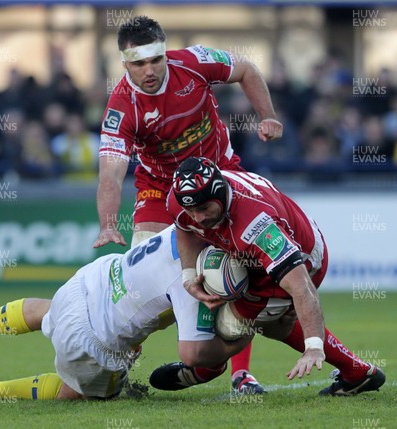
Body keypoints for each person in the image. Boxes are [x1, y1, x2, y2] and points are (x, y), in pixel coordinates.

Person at [94, 15, 283, 393]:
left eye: (155, 60)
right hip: (160, 190)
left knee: (234, 273)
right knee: (137, 286)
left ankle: (240, 374)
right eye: (138, 63)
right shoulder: (121, 107)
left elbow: (246, 69)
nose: (149, 71)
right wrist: (108, 222)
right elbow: (111, 174)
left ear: (165, 52)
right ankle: (121, 367)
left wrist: (268, 116)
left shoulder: (194, 62)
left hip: (218, 179)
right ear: (125, 63)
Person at [149, 157, 385, 396]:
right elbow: (186, 229)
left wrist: (313, 347)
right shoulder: (181, 199)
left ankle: (207, 369)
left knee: (246, 326)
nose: (198, 217)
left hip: (304, 256)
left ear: (220, 194)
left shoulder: (259, 227)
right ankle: (358, 372)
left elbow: (301, 287)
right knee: (238, 302)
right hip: (254, 242)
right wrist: (189, 277)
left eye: (203, 209)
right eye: (191, 210)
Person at [0, 226, 250, 401]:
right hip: (94, 337)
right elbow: (193, 353)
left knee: (45, 310)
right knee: (84, 393)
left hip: (91, 281)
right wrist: (240, 338)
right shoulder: (189, 290)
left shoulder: (187, 227)